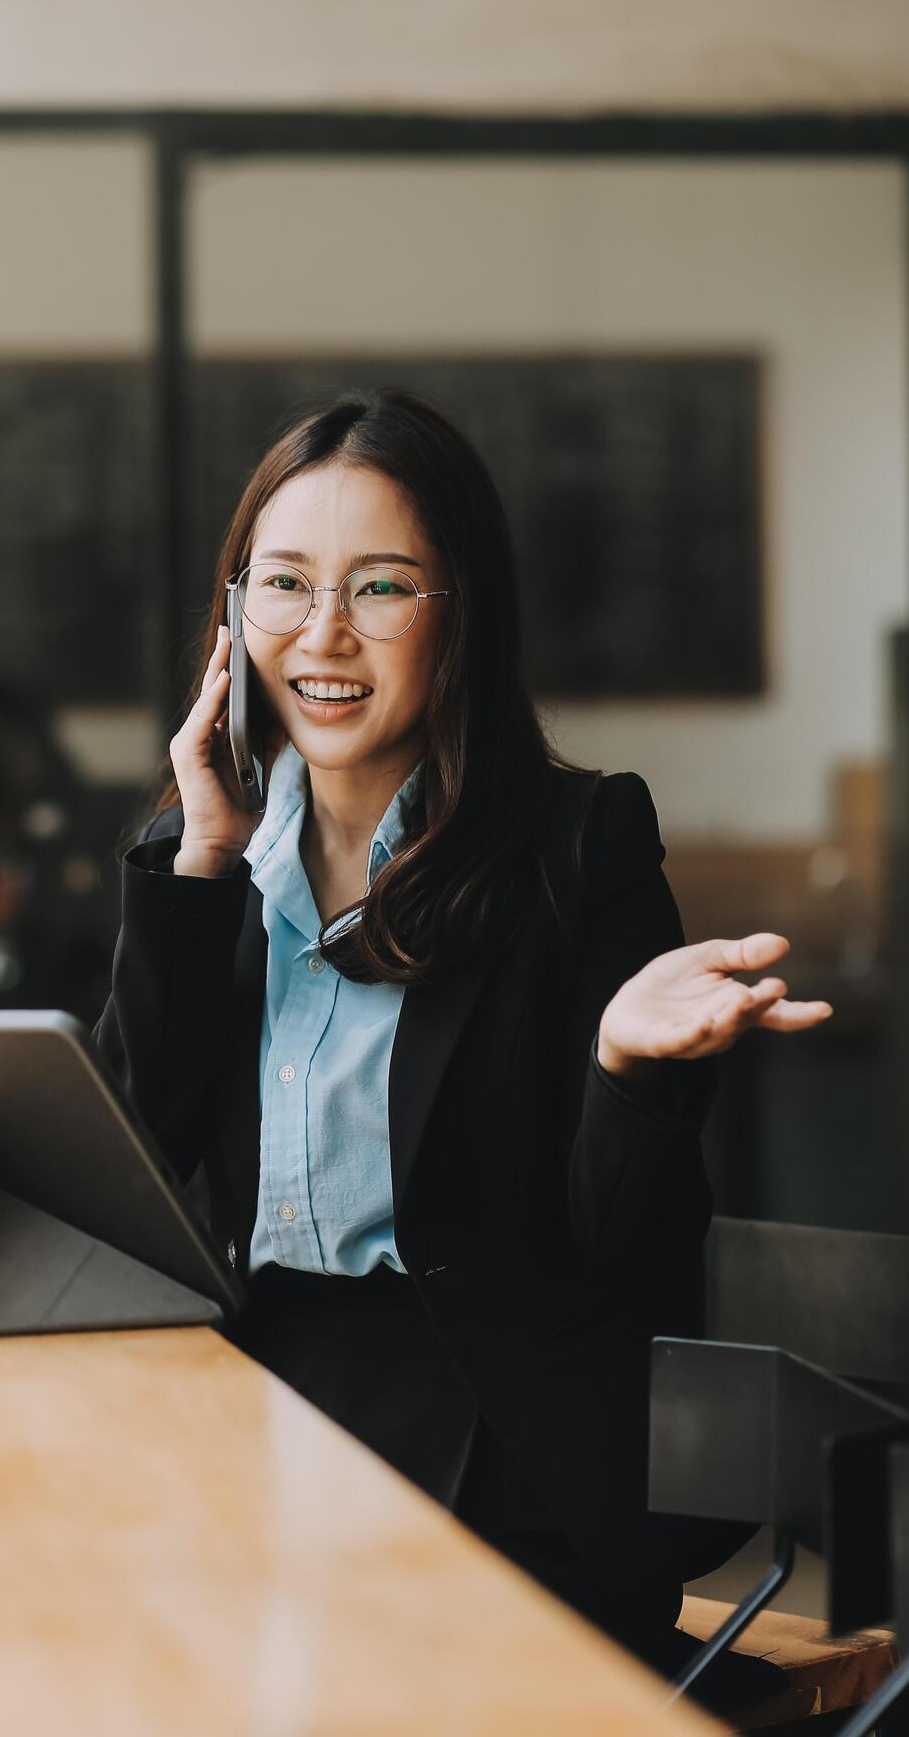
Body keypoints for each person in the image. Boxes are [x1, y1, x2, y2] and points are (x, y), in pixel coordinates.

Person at [91, 387, 832, 1708]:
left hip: (499, 1438)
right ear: (231, 617)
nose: (323, 634)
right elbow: (127, 1191)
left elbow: (623, 1255)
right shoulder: (199, 857)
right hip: (246, 1410)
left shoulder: (578, 845)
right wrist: (197, 867)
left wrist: (629, 1073)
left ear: (461, 616)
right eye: (283, 585)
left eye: (380, 589)